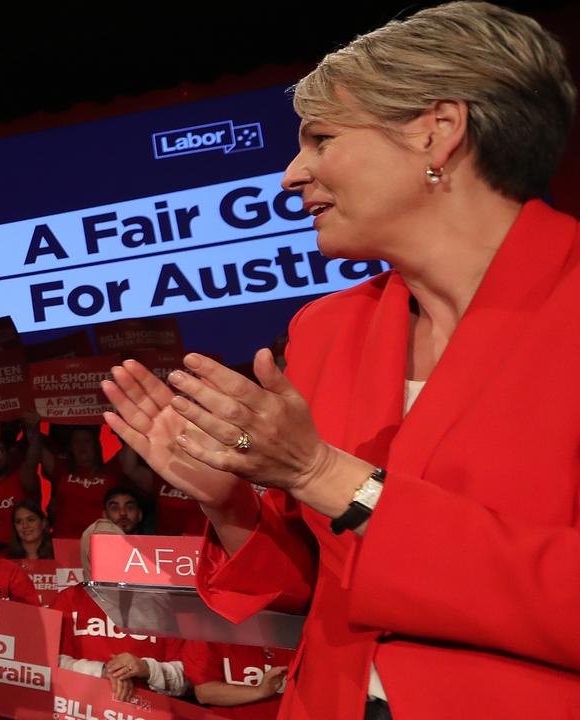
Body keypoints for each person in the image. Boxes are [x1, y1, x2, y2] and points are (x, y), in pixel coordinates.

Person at [102, 3, 580, 718]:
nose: (292, 175)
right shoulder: (326, 329)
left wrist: (330, 478)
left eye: (321, 139)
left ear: (437, 131)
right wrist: (230, 504)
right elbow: (317, 585)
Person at [53, 519, 185, 702]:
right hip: (84, 708)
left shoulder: (158, 603)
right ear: (86, 555)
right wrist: (103, 671)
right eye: (99, 552)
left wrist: (146, 668)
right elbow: (50, 663)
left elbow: (185, 680)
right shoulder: (67, 600)